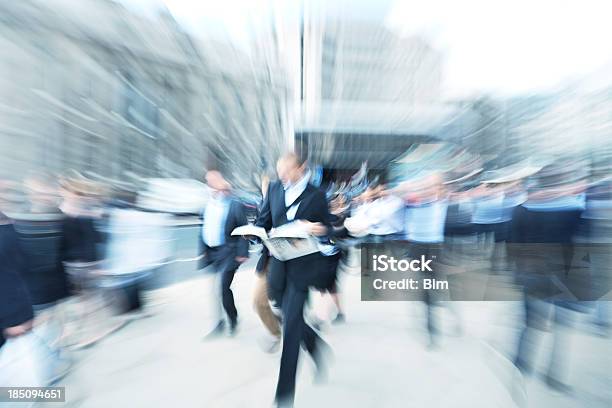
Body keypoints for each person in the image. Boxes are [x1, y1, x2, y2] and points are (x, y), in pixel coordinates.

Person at [255, 152, 333, 407]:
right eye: (279, 171)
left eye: (287, 170)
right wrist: (255, 233)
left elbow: (328, 227)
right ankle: (315, 344)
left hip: (303, 268)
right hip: (278, 266)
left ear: (301, 168)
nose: (282, 176)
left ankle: (284, 395)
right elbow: (264, 220)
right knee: (287, 314)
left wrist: (320, 229)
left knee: (290, 330)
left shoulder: (316, 195)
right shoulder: (275, 189)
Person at [198, 170, 249, 337]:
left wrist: (243, 252)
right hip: (212, 253)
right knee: (214, 290)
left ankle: (233, 319)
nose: (210, 186)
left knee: (223, 287)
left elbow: (243, 229)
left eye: (213, 182)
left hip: (229, 252)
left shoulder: (234, 205)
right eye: (208, 183)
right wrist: (203, 252)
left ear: (221, 184)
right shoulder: (206, 205)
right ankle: (218, 323)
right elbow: (203, 228)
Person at [253, 175, 282, 352]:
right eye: (264, 189)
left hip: (287, 261)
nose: (267, 192)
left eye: (269, 188)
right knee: (258, 301)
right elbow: (260, 226)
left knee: (286, 304)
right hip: (267, 260)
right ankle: (275, 331)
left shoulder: (286, 203)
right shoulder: (263, 206)